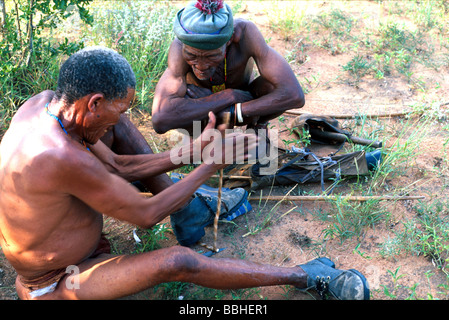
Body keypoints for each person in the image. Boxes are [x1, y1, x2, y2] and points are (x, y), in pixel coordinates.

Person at [0, 47, 369, 300]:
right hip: (55, 282)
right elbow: (146, 215)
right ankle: (309, 275)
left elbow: (117, 165)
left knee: (117, 133)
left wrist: (192, 152)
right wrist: (212, 164)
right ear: (94, 102)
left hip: (71, 246)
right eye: (118, 107)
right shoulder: (60, 158)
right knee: (178, 261)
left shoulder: (47, 106)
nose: (120, 114)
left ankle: (192, 207)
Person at [151, 0, 305, 135]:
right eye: (192, 56)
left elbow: (294, 94)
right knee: (177, 102)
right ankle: (202, 139)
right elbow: (160, 119)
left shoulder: (245, 34)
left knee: (272, 85)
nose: (201, 66)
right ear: (183, 46)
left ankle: (258, 126)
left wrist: (235, 111)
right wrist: (229, 96)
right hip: (203, 111)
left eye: (211, 56)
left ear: (230, 40)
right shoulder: (179, 49)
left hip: (242, 104)